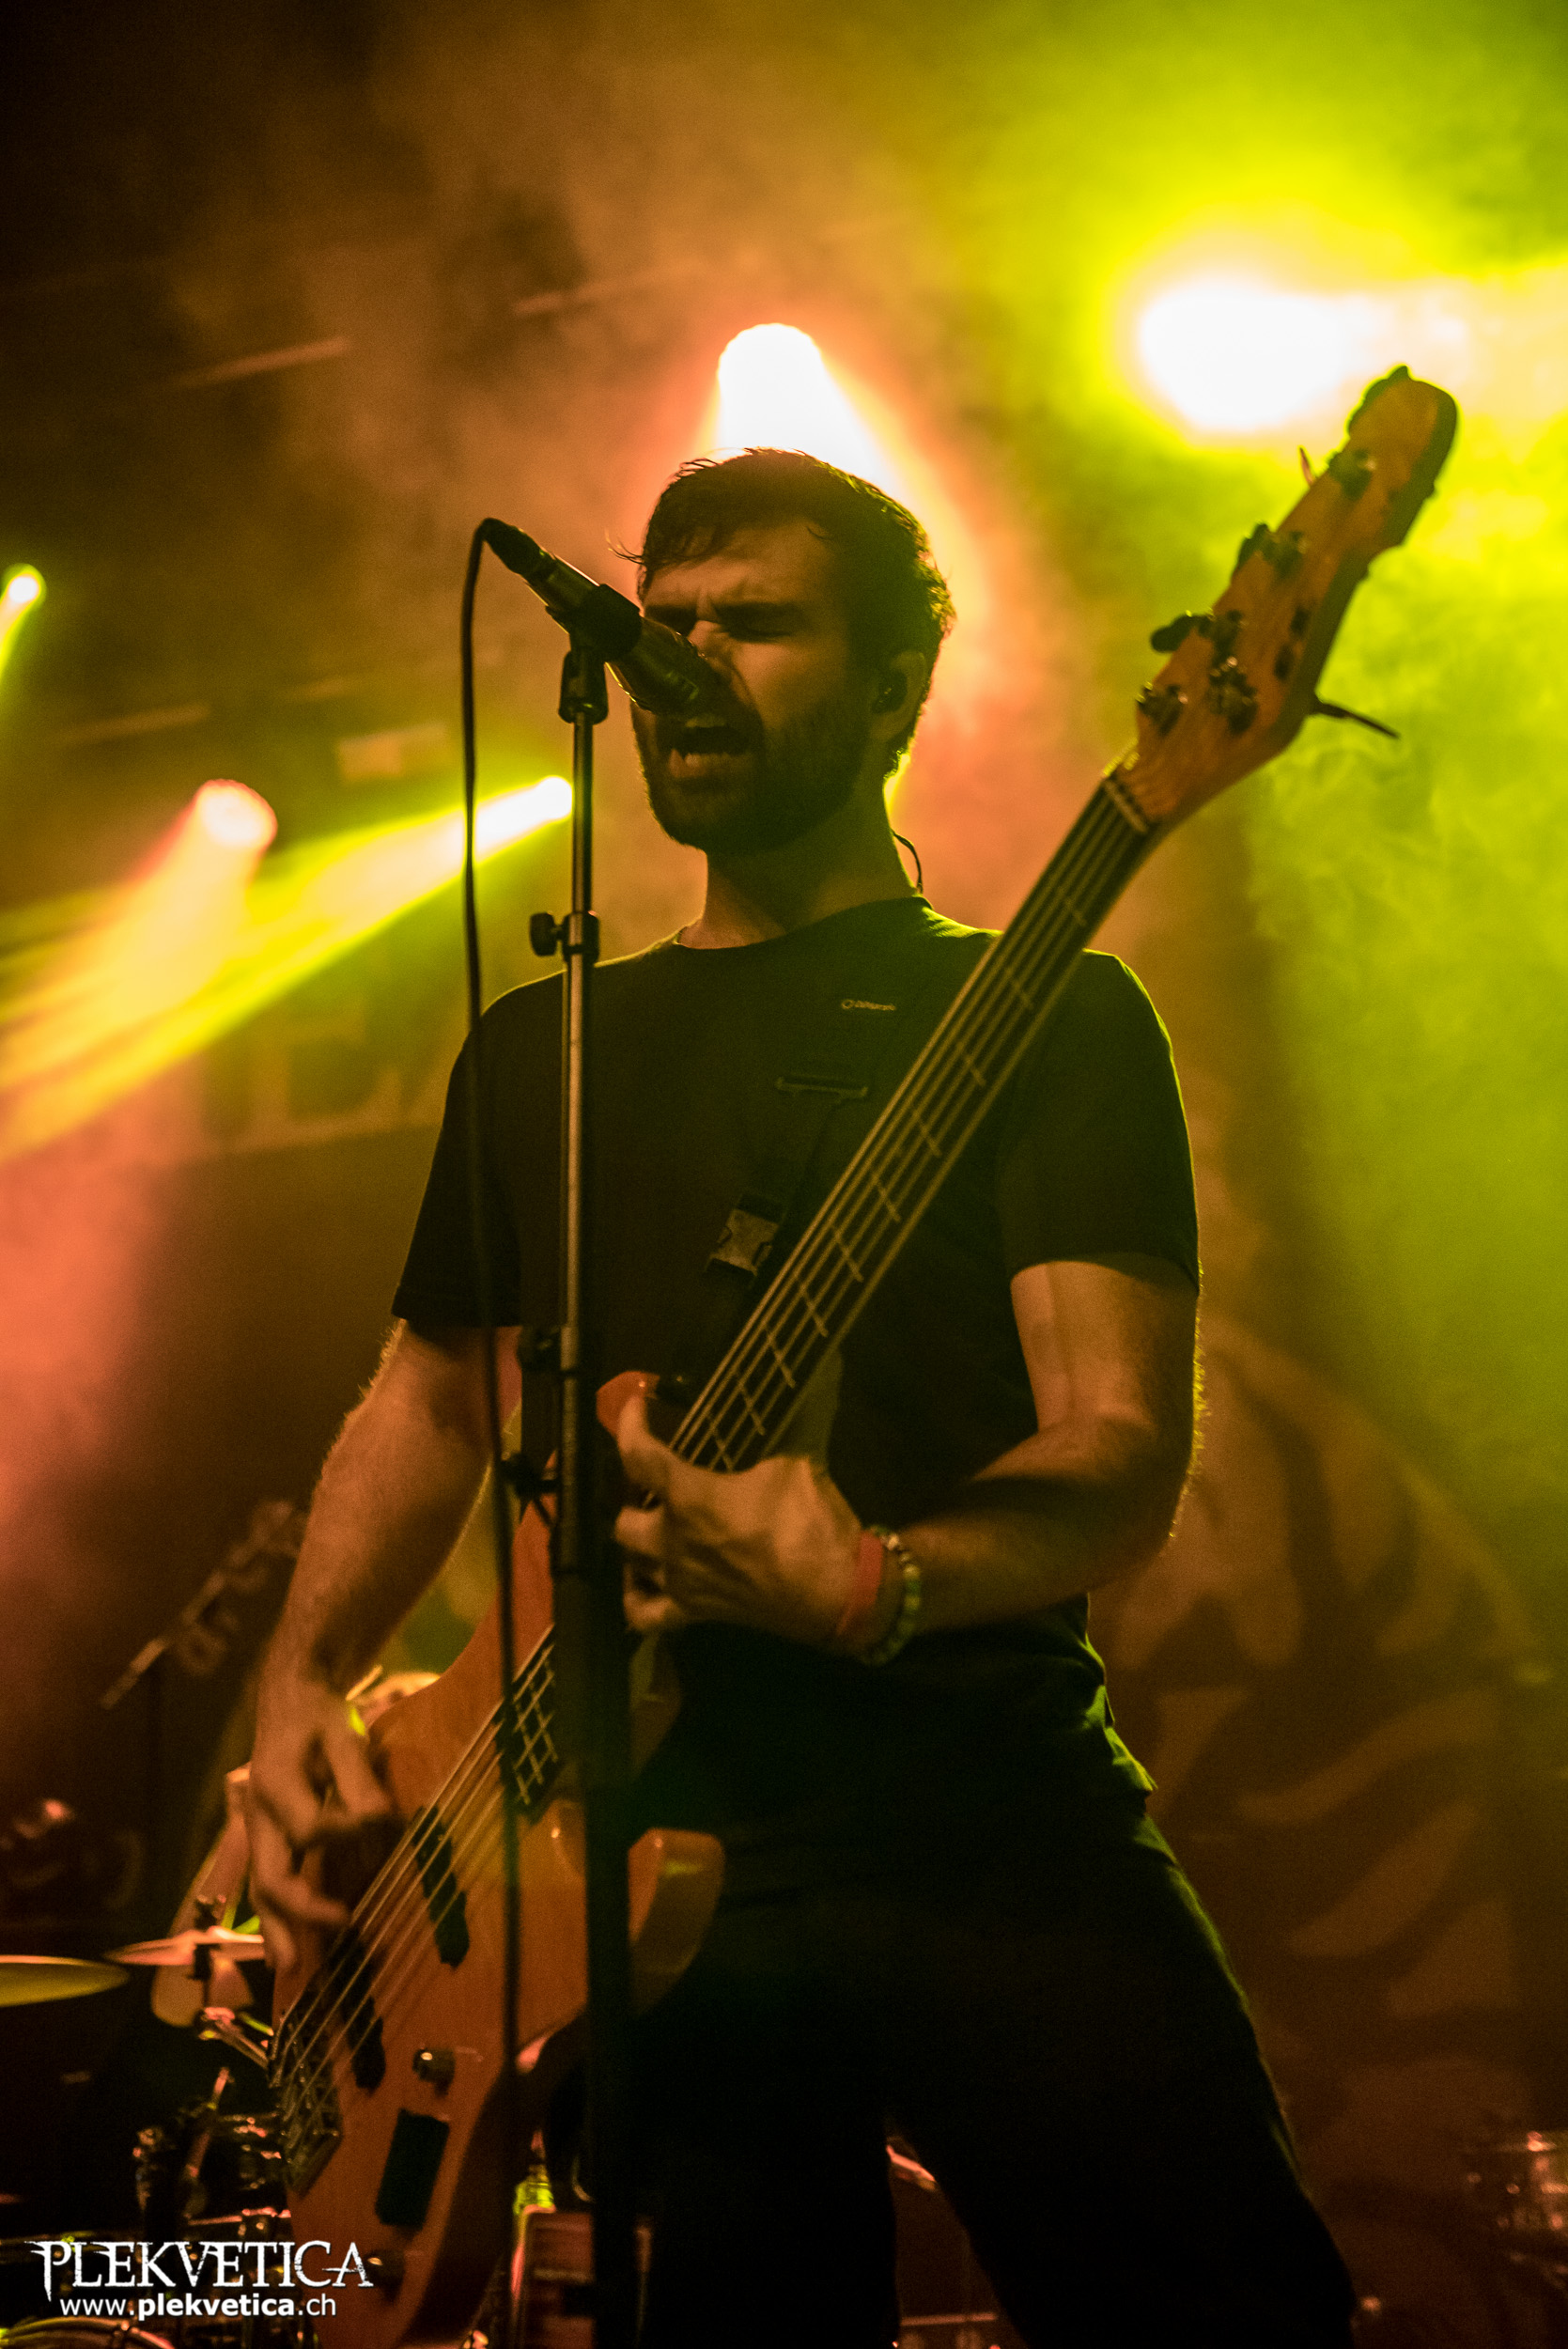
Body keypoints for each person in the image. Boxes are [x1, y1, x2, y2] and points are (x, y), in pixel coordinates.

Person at [248, 450, 1357, 2346]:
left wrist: (874, 1578)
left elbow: (1115, 1452)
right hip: (638, 1882)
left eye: (753, 624)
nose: (686, 663)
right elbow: (432, 1396)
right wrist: (299, 1675)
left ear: (895, 687)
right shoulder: (542, 1047)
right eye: (664, 624)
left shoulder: (1051, 1014)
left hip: (981, 1824)